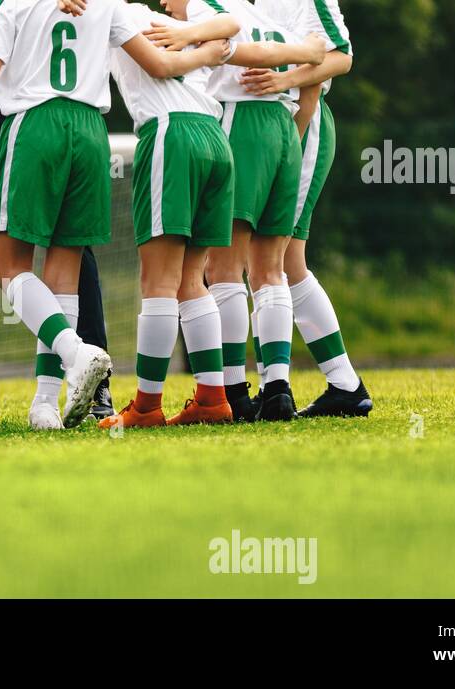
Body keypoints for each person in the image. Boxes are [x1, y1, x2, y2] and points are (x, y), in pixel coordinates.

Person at [0, 0, 233, 429]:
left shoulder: (10, 3)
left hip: (36, 126)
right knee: (65, 272)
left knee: (10, 268)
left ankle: (75, 352)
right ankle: (45, 404)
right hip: (91, 131)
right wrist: (207, 54)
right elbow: (157, 62)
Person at [145, 0, 326, 422]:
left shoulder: (205, 11)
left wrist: (187, 33)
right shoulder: (261, 15)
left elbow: (225, 46)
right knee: (271, 269)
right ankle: (277, 389)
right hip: (284, 126)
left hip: (241, 121)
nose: (165, 5)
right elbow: (314, 56)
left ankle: (231, 390)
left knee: (223, 269)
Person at [96, 0, 241, 430]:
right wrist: (203, 46)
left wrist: (194, 48)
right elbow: (233, 21)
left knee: (157, 281)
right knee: (190, 280)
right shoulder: (167, 20)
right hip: (214, 137)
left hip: (170, 133)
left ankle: (145, 406)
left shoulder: (114, 14)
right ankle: (213, 398)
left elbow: (158, 67)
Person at [244, 0, 372, 417]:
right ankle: (341, 384)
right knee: (279, 263)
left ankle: (282, 386)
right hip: (274, 126)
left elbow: (342, 56)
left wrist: (286, 80)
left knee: (273, 261)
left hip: (303, 124)